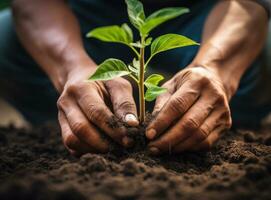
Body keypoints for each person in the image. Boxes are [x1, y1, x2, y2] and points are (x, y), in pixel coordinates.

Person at [0, 0, 270, 155]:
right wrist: (72, 67)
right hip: (81, 14)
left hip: (210, 14)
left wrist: (216, 69)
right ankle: (84, 122)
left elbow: (251, 3)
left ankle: (206, 118)